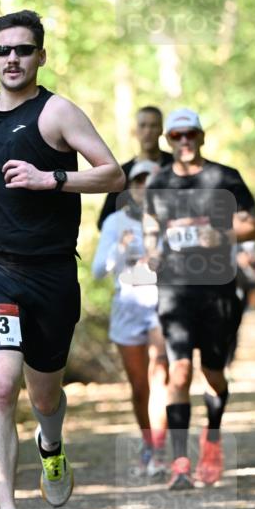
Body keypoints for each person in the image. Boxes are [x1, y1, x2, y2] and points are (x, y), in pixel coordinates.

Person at [0, 9, 124, 509]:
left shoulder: (58, 112)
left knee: (44, 394)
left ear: (40, 56)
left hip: (49, 272)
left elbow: (113, 174)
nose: (12, 59)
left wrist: (53, 178)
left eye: (23, 50)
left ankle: (52, 444)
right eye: (3, 51)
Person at [144, 108, 255, 490]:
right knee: (178, 371)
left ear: (201, 136)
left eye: (190, 134)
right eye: (176, 136)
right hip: (175, 291)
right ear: (168, 141)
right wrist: (152, 252)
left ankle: (211, 437)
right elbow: (150, 229)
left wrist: (223, 233)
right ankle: (180, 463)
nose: (184, 142)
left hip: (217, 292)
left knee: (213, 373)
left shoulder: (224, 177)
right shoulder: (158, 184)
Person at [92, 160, 168, 477]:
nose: (145, 187)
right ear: (130, 187)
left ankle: (161, 451)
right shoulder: (113, 222)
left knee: (160, 373)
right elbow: (97, 272)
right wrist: (119, 251)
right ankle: (148, 444)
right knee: (140, 388)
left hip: (161, 305)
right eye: (138, 181)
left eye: (152, 181)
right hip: (127, 306)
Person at [96, 105, 173, 230]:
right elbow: (104, 222)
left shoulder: (175, 165)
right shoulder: (123, 173)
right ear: (135, 130)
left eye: (153, 126)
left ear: (161, 130)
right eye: (143, 125)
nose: (148, 131)